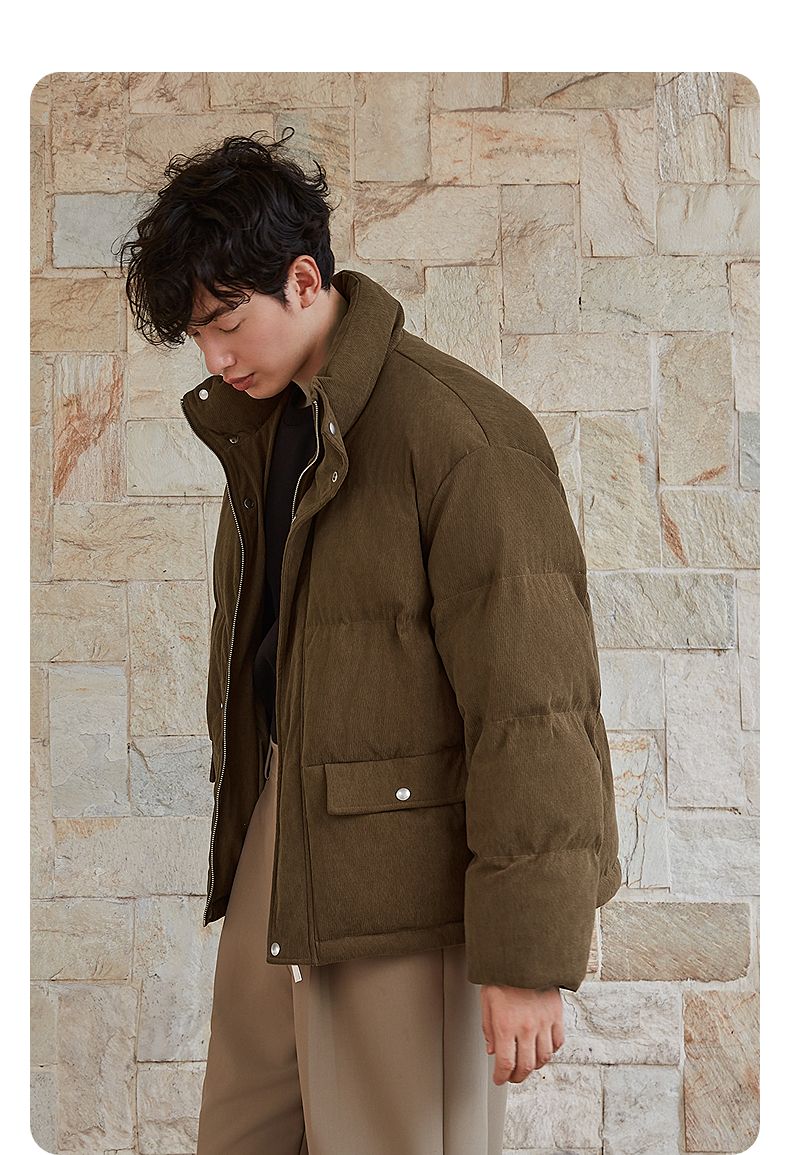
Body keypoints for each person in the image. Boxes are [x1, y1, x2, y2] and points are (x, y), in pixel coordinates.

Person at [121, 132, 621, 1155]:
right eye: (198, 336)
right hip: (282, 843)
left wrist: (528, 955)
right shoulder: (269, 429)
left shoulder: (463, 437)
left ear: (305, 280)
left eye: (228, 323)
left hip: (409, 887)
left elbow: (535, 711)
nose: (215, 359)